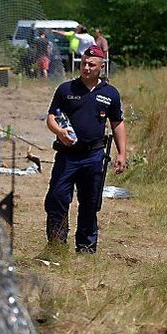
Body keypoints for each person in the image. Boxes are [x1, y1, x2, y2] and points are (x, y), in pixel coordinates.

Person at [44, 45, 127, 254]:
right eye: (83, 64)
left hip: (93, 157)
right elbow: (52, 117)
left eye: (91, 64)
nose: (87, 68)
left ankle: (86, 247)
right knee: (57, 198)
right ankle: (56, 244)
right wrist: (60, 132)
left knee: (90, 202)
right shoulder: (66, 90)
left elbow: (117, 123)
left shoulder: (110, 93)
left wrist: (122, 153)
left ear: (101, 66)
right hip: (67, 156)